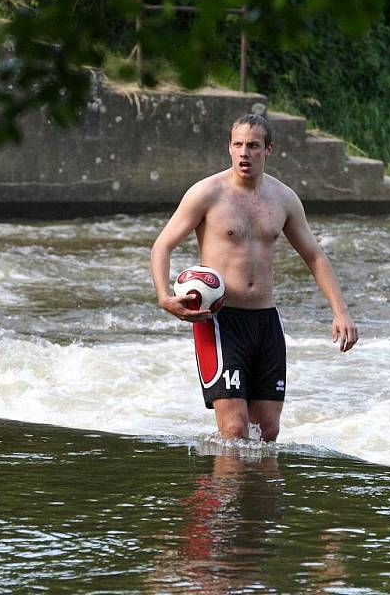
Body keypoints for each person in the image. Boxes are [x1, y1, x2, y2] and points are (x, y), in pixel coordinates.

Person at [150, 113, 358, 442]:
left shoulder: (284, 198)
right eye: (238, 145)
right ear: (229, 148)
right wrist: (164, 296)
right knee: (234, 429)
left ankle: (256, 495)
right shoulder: (206, 193)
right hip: (219, 321)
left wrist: (341, 311)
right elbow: (162, 246)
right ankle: (223, 491)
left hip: (266, 322)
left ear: (268, 150)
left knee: (268, 432)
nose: (245, 152)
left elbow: (314, 255)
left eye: (253, 146)